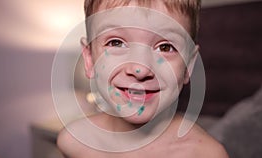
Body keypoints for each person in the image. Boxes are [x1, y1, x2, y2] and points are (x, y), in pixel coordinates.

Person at [57, 0, 229, 157]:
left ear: (188, 66)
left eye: (165, 47)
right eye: (116, 43)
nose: (140, 70)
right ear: (89, 59)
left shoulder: (207, 154)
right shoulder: (73, 141)